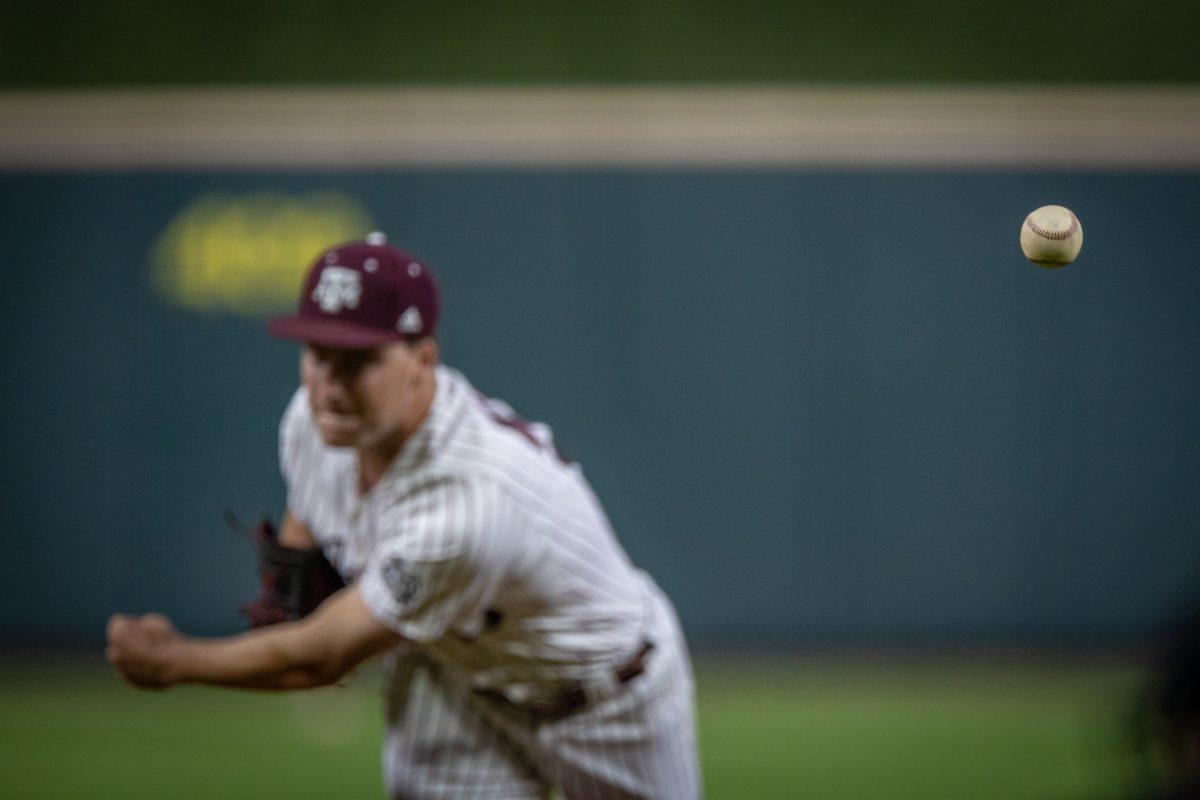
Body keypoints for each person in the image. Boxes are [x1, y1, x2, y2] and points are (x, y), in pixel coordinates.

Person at [105, 232, 702, 800]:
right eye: (317, 353)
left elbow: (322, 655)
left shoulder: (466, 502)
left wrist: (177, 661)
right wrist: (297, 576)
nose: (330, 386)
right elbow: (308, 513)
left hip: (605, 700)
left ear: (423, 358)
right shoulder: (310, 424)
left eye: (357, 360)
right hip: (456, 678)